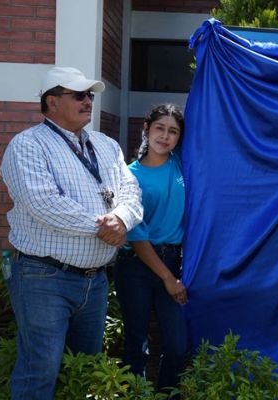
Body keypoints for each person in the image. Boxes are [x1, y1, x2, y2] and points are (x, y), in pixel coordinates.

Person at [0, 66, 143, 399]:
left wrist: (121, 219)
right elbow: (44, 204)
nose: (88, 101)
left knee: (87, 371)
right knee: (40, 370)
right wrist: (104, 227)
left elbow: (131, 191)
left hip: (94, 281)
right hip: (43, 277)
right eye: (78, 95)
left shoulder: (106, 146)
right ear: (52, 102)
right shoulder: (27, 145)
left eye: (90, 95)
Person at [114, 103, 189, 393]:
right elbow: (137, 237)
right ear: (146, 129)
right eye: (160, 128)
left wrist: (172, 275)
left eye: (173, 131)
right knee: (137, 343)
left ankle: (166, 394)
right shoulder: (130, 176)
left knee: (177, 345)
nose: (165, 136)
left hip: (173, 259)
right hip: (136, 264)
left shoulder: (182, 165)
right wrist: (169, 280)